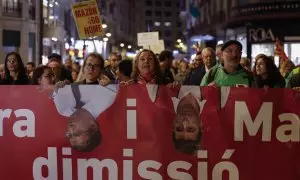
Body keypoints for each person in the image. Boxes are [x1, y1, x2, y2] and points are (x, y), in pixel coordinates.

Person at [50, 83, 118, 152]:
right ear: (93, 126)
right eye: (77, 133)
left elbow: (53, 87)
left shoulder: (63, 109)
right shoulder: (107, 96)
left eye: (69, 135)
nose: (70, 130)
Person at [171, 86, 205, 155]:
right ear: (201, 125)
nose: (184, 122)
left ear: (173, 124)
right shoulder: (220, 98)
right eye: (191, 129)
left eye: (179, 128)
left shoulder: (161, 93)